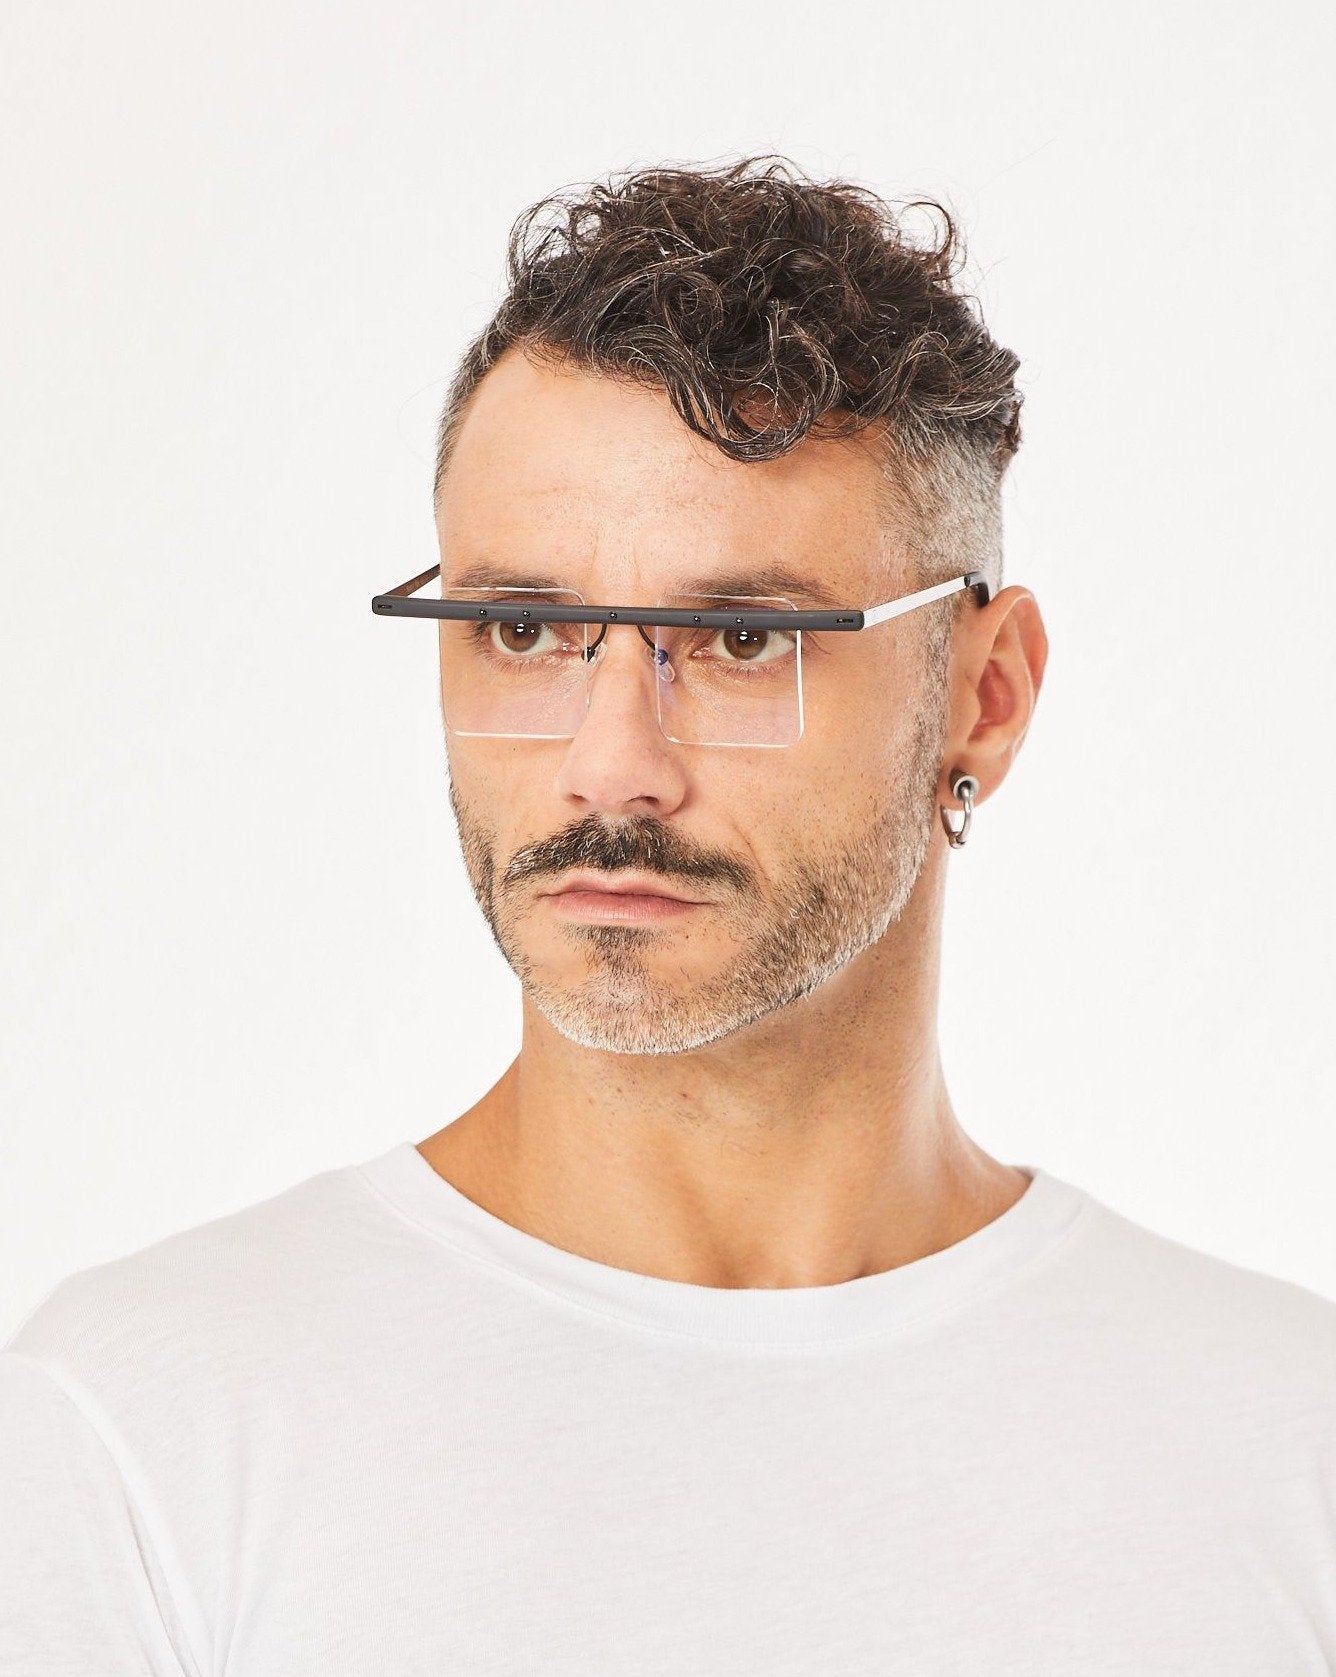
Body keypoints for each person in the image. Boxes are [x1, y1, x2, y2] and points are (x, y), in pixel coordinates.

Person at [3, 156, 1333, 1675]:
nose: (609, 764)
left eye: (742, 641)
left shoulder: (1284, 1452)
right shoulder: (141, 1439)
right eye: (523, 627)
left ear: (985, 696)